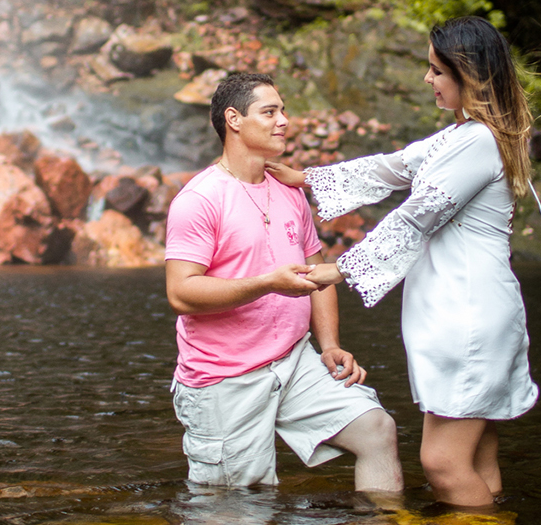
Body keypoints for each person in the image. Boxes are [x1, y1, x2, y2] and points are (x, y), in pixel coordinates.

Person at [267, 16, 537, 509]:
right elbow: (395, 165)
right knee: (476, 456)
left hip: (469, 315)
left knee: (442, 463)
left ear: (469, 75)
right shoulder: (465, 135)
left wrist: (339, 268)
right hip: (470, 309)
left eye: (437, 71)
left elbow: (419, 216)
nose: (427, 80)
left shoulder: (477, 142)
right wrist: (306, 178)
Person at [164, 71, 403, 495]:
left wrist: (328, 343)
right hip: (225, 377)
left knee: (376, 430)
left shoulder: (289, 190)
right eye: (270, 111)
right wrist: (266, 283)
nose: (284, 121)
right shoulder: (200, 199)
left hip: (294, 362)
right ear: (234, 119)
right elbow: (181, 293)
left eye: (283, 111)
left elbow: (319, 272)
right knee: (240, 507)